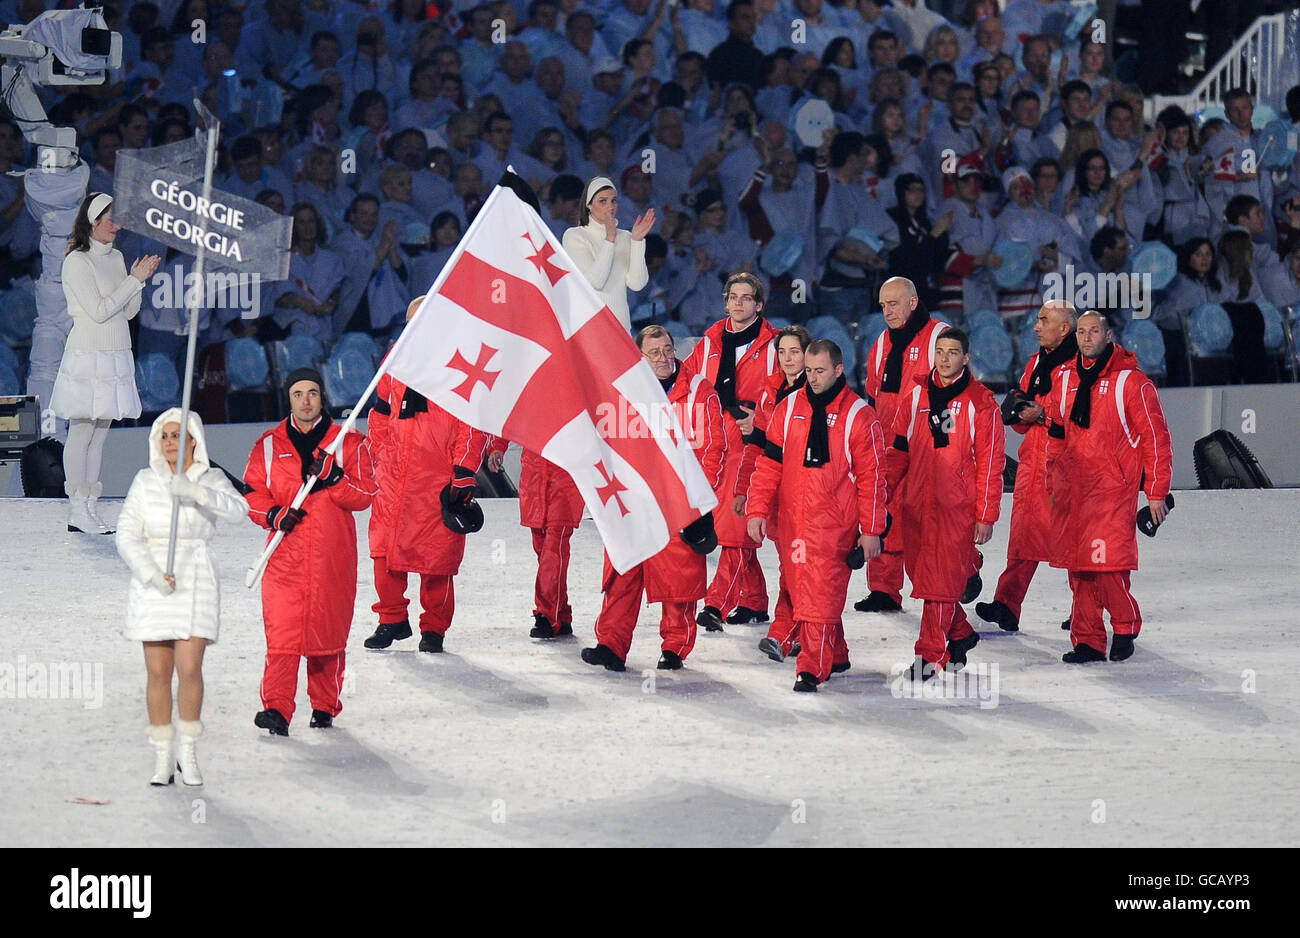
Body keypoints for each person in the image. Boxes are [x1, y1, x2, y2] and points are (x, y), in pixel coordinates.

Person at [745, 339, 888, 692]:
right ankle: (836, 653)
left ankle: (812, 667)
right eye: (808, 370)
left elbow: (873, 478)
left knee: (820, 594)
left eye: (820, 370)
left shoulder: (860, 415)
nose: (812, 377)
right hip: (793, 522)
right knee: (801, 588)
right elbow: (769, 464)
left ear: (839, 370)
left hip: (834, 525)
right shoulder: (788, 406)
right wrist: (757, 509)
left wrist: (871, 530)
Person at [581, 325, 726, 671]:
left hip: (680, 503)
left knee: (679, 580)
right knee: (623, 572)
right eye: (655, 352)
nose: (664, 358)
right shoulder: (622, 393)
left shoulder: (699, 392)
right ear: (639, 358)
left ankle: (675, 647)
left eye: (667, 350)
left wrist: (700, 505)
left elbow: (713, 450)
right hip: (634, 500)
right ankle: (611, 645)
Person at [116, 409, 248, 786]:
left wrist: (197, 493)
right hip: (155, 580)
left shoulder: (212, 478)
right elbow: (126, 534)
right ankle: (162, 755)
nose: (170, 443)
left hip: (195, 577)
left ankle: (188, 753)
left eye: (178, 436)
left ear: (194, 440)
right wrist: (151, 573)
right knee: (158, 673)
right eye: (165, 436)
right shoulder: (144, 481)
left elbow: (240, 511)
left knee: (189, 669)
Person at [243, 368, 377, 735]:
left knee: (327, 635)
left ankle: (324, 705)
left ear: (323, 397)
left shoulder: (348, 444)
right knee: (283, 636)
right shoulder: (268, 445)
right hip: (284, 556)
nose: (306, 400)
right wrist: (273, 514)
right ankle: (277, 709)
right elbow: (252, 494)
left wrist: (336, 479)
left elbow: (366, 495)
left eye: (313, 393)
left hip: (331, 557)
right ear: (288, 398)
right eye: (298, 393)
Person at [1046, 310, 1174, 664]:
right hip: (1073, 488)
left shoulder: (1132, 383)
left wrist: (1156, 492)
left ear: (1108, 335)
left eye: (1094, 331)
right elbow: (1056, 430)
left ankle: (1126, 623)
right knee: (1080, 568)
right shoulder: (1064, 378)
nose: (1087, 337)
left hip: (1111, 489)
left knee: (1105, 566)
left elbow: (1156, 440)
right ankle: (1086, 640)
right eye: (1081, 332)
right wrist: (1050, 474)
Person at [362, 299, 490, 654]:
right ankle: (391, 619)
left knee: (438, 560)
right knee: (383, 552)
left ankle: (434, 628)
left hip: (437, 479)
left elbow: (473, 426)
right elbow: (380, 414)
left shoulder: (463, 370)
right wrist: (378, 456)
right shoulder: (396, 365)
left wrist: (463, 472)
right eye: (411, 323)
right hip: (393, 477)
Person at [886, 327, 1005, 680]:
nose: (945, 358)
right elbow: (898, 451)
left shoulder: (981, 403)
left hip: (956, 508)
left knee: (937, 583)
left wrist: (986, 514)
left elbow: (990, 464)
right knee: (921, 577)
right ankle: (960, 632)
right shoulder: (916, 395)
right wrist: (883, 493)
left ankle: (929, 656)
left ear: (966, 358)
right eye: (940, 351)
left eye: (953, 352)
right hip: (915, 504)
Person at [50, 192, 160, 535]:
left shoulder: (117, 257)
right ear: (92, 222)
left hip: (115, 353)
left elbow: (127, 312)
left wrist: (137, 283)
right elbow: (98, 312)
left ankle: (89, 509)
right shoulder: (77, 262)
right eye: (110, 218)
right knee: (82, 431)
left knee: (100, 435)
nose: (117, 225)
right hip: (88, 353)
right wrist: (133, 282)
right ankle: (75, 508)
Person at [682, 271, 780, 632]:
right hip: (713, 447)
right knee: (730, 526)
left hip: (751, 447)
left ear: (758, 305)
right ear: (726, 302)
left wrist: (762, 419)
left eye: (746, 297)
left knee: (735, 529)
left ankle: (715, 604)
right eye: (732, 297)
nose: (738, 303)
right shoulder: (708, 343)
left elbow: (791, 392)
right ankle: (754, 603)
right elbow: (686, 384)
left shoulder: (774, 347)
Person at [976, 301, 1078, 634]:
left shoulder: (1084, 368)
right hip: (1032, 464)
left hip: (1065, 467)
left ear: (1064, 328)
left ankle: (1085, 610)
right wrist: (1020, 412)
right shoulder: (1036, 363)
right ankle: (1007, 605)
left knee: (1072, 544)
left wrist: (1042, 416)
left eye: (1043, 320)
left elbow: (1086, 421)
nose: (1035, 327)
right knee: (1021, 540)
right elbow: (1019, 416)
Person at [855, 276, 948, 613]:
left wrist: (947, 442)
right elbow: (873, 393)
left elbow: (954, 393)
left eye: (893, 303)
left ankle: (940, 587)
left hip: (927, 449)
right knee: (883, 513)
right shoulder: (881, 342)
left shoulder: (940, 336)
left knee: (928, 523)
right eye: (882, 306)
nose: (887, 311)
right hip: (888, 446)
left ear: (913, 302)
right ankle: (883, 589)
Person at [747, 324, 812, 663]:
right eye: (782, 352)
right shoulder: (770, 391)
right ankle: (822, 639)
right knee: (794, 566)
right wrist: (748, 491)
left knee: (796, 567)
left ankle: (784, 631)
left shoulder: (817, 392)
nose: (788, 359)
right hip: (777, 495)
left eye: (795, 352)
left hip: (808, 497)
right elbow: (758, 447)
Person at [562, 176, 655, 331]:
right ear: (589, 205)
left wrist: (637, 241)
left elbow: (637, 284)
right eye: (603, 201)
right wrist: (609, 239)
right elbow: (595, 282)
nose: (610, 206)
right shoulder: (575, 236)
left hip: (620, 326)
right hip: (589, 326)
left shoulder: (625, 237)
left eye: (614, 201)